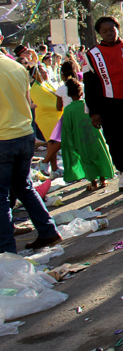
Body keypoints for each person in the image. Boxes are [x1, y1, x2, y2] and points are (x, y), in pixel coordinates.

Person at [0, 53, 62, 253]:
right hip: (24, 134)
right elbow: (29, 103)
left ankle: (6, 249)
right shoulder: (16, 67)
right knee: (23, 187)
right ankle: (47, 230)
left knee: (2, 195)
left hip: (3, 137)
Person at [83, 16, 123, 197]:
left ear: (117, 28)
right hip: (108, 104)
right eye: (104, 31)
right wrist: (94, 112)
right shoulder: (92, 55)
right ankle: (122, 171)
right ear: (99, 34)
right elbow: (90, 84)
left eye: (111, 29)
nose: (109, 33)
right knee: (114, 141)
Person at [60, 76, 116, 191]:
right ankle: (103, 179)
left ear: (69, 94)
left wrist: (71, 142)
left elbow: (67, 129)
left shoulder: (68, 110)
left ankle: (93, 183)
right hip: (96, 136)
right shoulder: (88, 104)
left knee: (87, 160)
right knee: (99, 156)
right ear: (81, 92)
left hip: (81, 140)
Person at [29, 64, 63, 177]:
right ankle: (44, 162)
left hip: (55, 116)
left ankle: (54, 169)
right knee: (59, 141)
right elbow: (44, 104)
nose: (45, 73)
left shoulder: (45, 84)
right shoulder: (36, 88)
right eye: (42, 72)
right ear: (35, 74)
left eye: (45, 71)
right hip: (47, 117)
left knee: (52, 142)